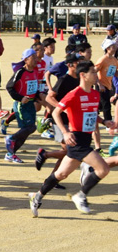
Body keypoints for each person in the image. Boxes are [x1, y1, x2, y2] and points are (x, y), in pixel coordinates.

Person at [29, 61, 114, 217]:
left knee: (60, 175)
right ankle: (80, 195)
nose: (96, 75)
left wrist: (104, 122)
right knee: (103, 169)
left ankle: (37, 196)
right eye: (93, 73)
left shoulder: (95, 94)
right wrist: (65, 132)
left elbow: (91, 114)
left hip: (84, 140)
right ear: (83, 75)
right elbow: (55, 113)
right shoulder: (74, 94)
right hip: (76, 141)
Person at [4, 49, 40, 163]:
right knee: (30, 128)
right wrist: (20, 98)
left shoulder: (35, 71)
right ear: (26, 59)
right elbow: (9, 87)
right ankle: (11, 138)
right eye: (33, 58)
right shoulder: (20, 72)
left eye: (36, 57)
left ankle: (11, 154)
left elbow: (34, 88)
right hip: (21, 105)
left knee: (27, 131)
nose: (36, 60)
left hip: (31, 105)